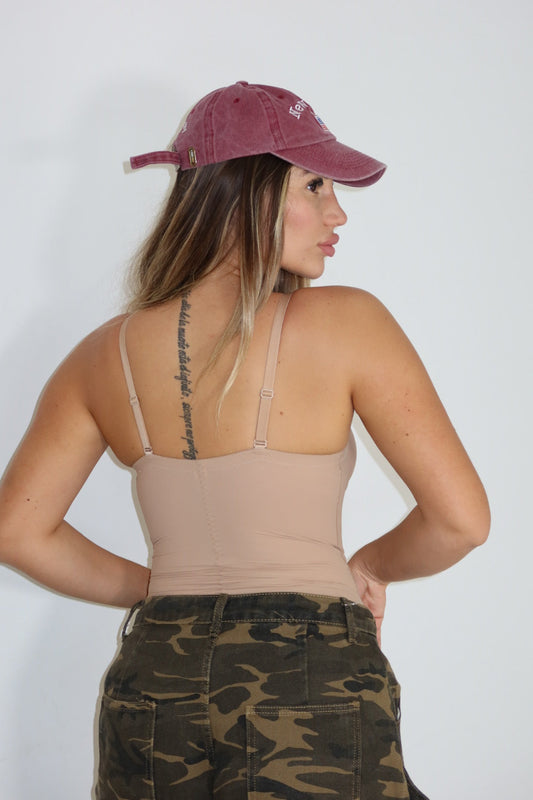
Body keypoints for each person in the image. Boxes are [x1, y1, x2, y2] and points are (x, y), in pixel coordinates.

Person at [0, 81, 489, 799]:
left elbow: (17, 532)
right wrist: (369, 567)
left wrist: (158, 592)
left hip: (151, 686)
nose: (338, 212)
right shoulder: (347, 323)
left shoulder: (101, 355)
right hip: (307, 681)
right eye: (314, 185)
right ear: (245, 193)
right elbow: (460, 522)